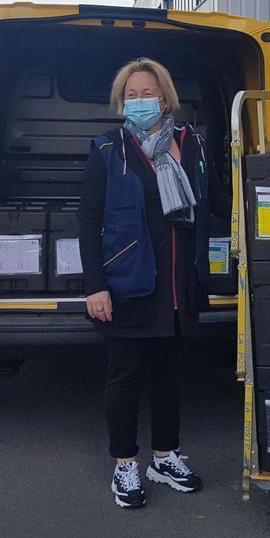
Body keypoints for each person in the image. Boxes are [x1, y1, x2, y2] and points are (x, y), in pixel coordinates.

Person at [78, 57, 210, 510]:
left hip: (177, 282)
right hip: (128, 282)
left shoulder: (191, 143)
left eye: (147, 93)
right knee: (125, 375)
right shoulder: (107, 149)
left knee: (169, 375)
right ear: (121, 102)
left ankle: (165, 456)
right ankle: (125, 463)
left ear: (164, 96)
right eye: (130, 95)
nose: (139, 101)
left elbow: (214, 202)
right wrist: (95, 285)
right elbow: (88, 219)